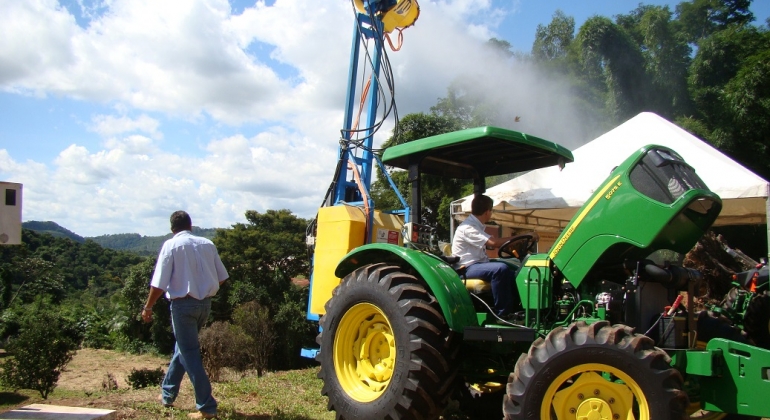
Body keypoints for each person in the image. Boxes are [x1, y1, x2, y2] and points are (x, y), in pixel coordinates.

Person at [141, 210, 228, 419]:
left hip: (183, 305)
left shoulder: (171, 246)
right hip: (204, 305)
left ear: (172, 229)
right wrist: (206, 289)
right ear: (191, 226)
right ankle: (167, 394)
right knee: (183, 347)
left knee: (189, 351)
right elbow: (222, 276)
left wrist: (148, 306)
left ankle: (207, 406)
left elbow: (159, 283)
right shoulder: (207, 244)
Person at [451, 194, 537, 318]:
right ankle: (503, 314)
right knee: (500, 269)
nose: (491, 214)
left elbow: (495, 243)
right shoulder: (468, 228)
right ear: (487, 212)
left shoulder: (476, 226)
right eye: (491, 211)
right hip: (466, 268)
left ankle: (520, 309)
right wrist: (522, 236)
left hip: (478, 264)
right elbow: (494, 243)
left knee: (515, 270)